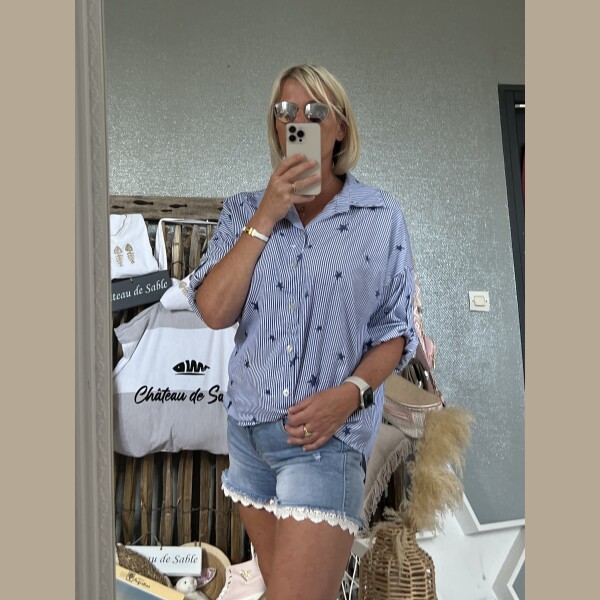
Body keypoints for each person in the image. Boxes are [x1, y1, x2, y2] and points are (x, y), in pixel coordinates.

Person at [188, 64, 418, 600]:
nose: (299, 121)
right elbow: (214, 310)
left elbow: (395, 330)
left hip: (325, 440)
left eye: (315, 111)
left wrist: (350, 394)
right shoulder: (245, 210)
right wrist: (267, 216)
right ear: (275, 126)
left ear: (340, 128)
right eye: (286, 111)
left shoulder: (380, 216)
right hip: (248, 436)